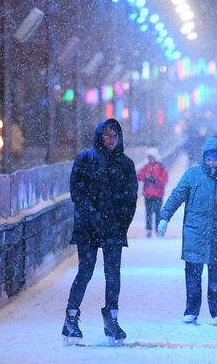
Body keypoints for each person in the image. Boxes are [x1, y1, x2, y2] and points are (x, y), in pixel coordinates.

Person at [62, 119, 138, 346]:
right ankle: (71, 317)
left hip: (113, 227)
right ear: (99, 137)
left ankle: (111, 316)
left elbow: (131, 197)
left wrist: (122, 222)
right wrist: (92, 215)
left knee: (113, 274)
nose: (111, 140)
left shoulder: (126, 164)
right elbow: (77, 191)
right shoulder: (86, 159)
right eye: (107, 135)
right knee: (85, 270)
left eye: (115, 136)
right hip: (88, 226)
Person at [157, 138, 217, 326]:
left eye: (215, 159)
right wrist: (165, 216)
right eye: (209, 159)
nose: (212, 163)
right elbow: (177, 196)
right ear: (203, 158)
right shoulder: (192, 175)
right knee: (192, 275)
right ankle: (191, 310)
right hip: (195, 233)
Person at [137, 148, 168, 237]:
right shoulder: (147, 166)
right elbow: (139, 176)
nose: (150, 158)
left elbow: (164, 180)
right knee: (149, 213)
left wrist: (156, 180)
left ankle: (156, 230)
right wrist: (147, 177)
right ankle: (149, 229)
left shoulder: (161, 167)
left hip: (157, 194)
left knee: (157, 213)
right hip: (149, 194)